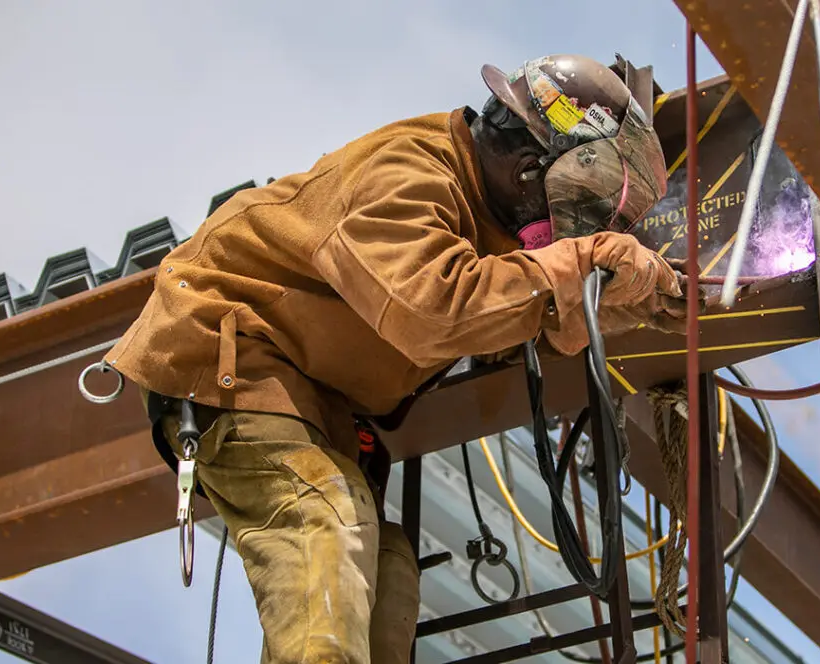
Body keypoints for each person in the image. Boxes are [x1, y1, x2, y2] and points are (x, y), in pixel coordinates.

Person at [103, 53, 690, 663]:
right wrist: (582, 264)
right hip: (230, 358)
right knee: (325, 514)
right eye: (566, 209)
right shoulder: (409, 173)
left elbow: (501, 312)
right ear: (526, 171)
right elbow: (433, 309)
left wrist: (617, 306)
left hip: (308, 391)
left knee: (387, 562)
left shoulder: (480, 208)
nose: (561, 231)